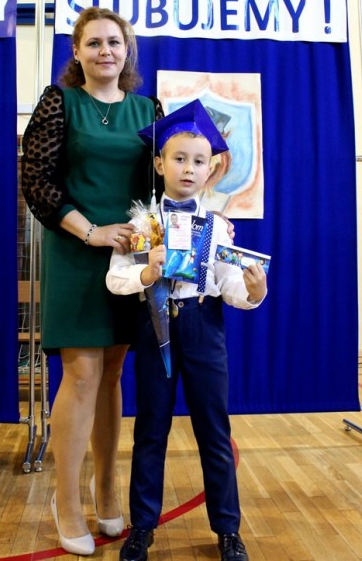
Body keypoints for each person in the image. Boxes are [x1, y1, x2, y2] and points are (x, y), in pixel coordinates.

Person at [21, 6, 166, 556]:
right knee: (81, 377)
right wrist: (91, 232)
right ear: (77, 52)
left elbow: (164, 183)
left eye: (115, 42)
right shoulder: (59, 102)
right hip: (77, 253)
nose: (106, 51)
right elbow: (36, 180)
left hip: (131, 259)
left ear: (128, 52)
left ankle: (107, 490)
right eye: (94, 43)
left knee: (112, 376)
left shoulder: (149, 109)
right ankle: (67, 501)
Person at [105, 99, 268, 561]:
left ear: (209, 168)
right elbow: (115, 278)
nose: (189, 169)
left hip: (203, 328)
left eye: (199, 161)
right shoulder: (142, 224)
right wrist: (147, 272)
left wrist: (253, 290)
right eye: (179, 158)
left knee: (214, 431)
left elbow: (229, 284)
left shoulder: (217, 228)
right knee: (150, 430)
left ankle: (228, 530)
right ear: (160, 164)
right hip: (155, 327)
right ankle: (143, 527)